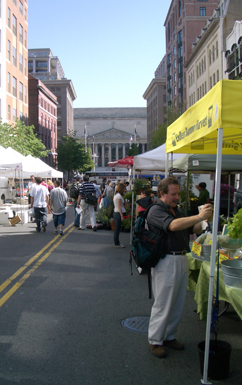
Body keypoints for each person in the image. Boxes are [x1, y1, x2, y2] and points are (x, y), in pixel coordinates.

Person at [146, 177, 213, 359]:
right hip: (166, 260)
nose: (176, 197)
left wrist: (205, 220)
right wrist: (198, 216)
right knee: (163, 302)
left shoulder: (178, 210)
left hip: (182, 258)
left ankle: (169, 336)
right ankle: (155, 340)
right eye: (173, 194)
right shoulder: (155, 210)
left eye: (177, 193)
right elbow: (173, 226)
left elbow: (194, 229)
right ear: (162, 194)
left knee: (177, 302)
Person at [113, 182, 126, 248]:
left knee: (117, 229)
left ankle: (117, 242)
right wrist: (121, 216)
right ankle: (117, 243)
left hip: (116, 212)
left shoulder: (117, 195)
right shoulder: (119, 196)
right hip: (118, 213)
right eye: (124, 189)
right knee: (117, 229)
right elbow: (119, 206)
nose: (125, 190)